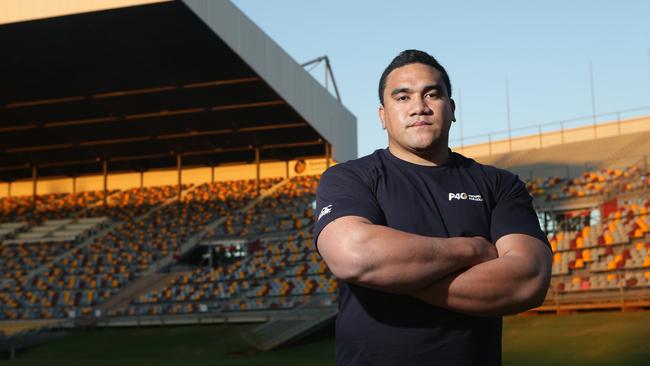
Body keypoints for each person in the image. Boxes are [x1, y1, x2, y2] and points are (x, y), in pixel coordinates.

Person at [313, 49, 552, 366]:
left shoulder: (499, 184)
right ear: (383, 116)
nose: (419, 108)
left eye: (432, 94)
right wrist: (473, 250)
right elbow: (355, 255)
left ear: (451, 108)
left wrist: (392, 277)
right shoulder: (350, 178)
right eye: (402, 98)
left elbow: (528, 280)